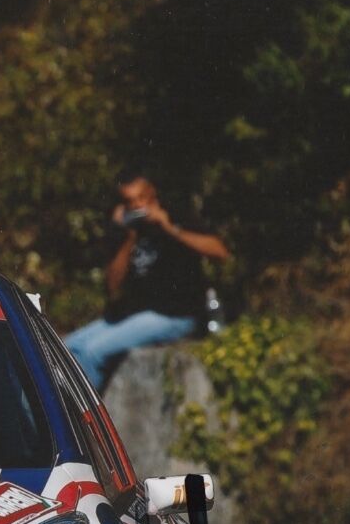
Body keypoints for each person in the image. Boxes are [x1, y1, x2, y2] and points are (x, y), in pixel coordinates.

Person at [65, 166, 231, 389]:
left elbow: (220, 252)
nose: (138, 205)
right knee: (67, 348)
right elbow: (113, 287)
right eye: (130, 201)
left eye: (142, 198)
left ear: (153, 193)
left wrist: (169, 228)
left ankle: (85, 421)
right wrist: (127, 237)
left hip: (175, 316)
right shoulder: (125, 230)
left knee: (91, 353)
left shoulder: (175, 215)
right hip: (134, 315)